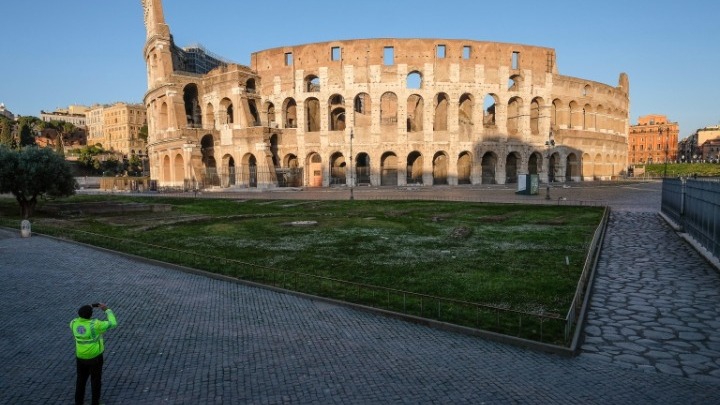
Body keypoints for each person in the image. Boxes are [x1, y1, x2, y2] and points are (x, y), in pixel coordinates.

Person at [70, 303, 118, 405]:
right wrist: (107, 310)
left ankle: (78, 402)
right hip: (95, 357)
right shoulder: (96, 325)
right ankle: (95, 402)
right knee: (95, 381)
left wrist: (89, 306)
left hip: (80, 356)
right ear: (91, 315)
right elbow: (113, 323)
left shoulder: (73, 323)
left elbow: (83, 314)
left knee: (80, 381)